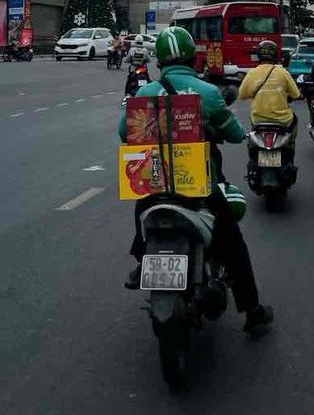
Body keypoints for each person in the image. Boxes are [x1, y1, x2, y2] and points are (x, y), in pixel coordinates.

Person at [119, 26, 274, 335]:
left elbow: (126, 132)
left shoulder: (146, 92)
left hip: (156, 183)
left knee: (143, 210)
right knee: (232, 243)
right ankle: (252, 310)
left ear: (159, 60)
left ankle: (143, 261)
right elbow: (233, 133)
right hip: (199, 185)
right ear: (192, 57)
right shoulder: (207, 92)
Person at [238, 39, 302, 130]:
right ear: (275, 55)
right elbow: (296, 94)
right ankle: (290, 143)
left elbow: (242, 95)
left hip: (258, 119)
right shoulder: (283, 72)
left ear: (258, 55)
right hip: (282, 119)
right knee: (294, 119)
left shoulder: (252, 73)